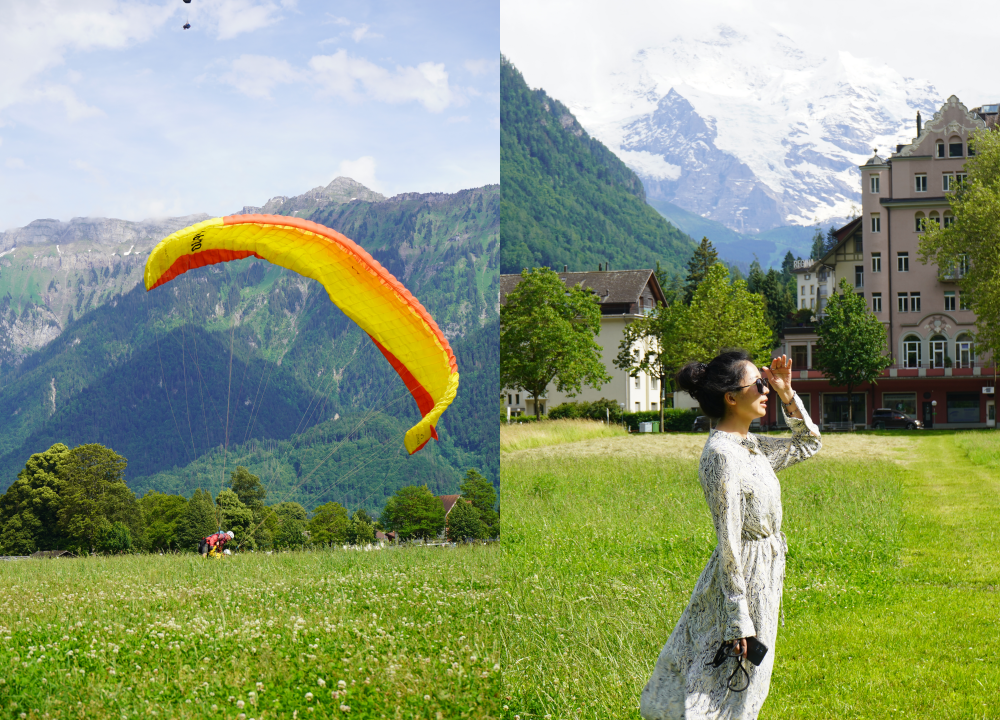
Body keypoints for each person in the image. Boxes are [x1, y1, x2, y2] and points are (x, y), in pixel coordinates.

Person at [640, 351, 821, 720]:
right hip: (743, 579)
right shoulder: (722, 455)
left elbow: (808, 443)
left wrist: (787, 392)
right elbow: (729, 542)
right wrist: (738, 618)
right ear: (731, 397)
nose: (766, 388)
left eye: (766, 382)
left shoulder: (750, 446)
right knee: (720, 684)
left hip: (765, 574)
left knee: (745, 685)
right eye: (760, 384)